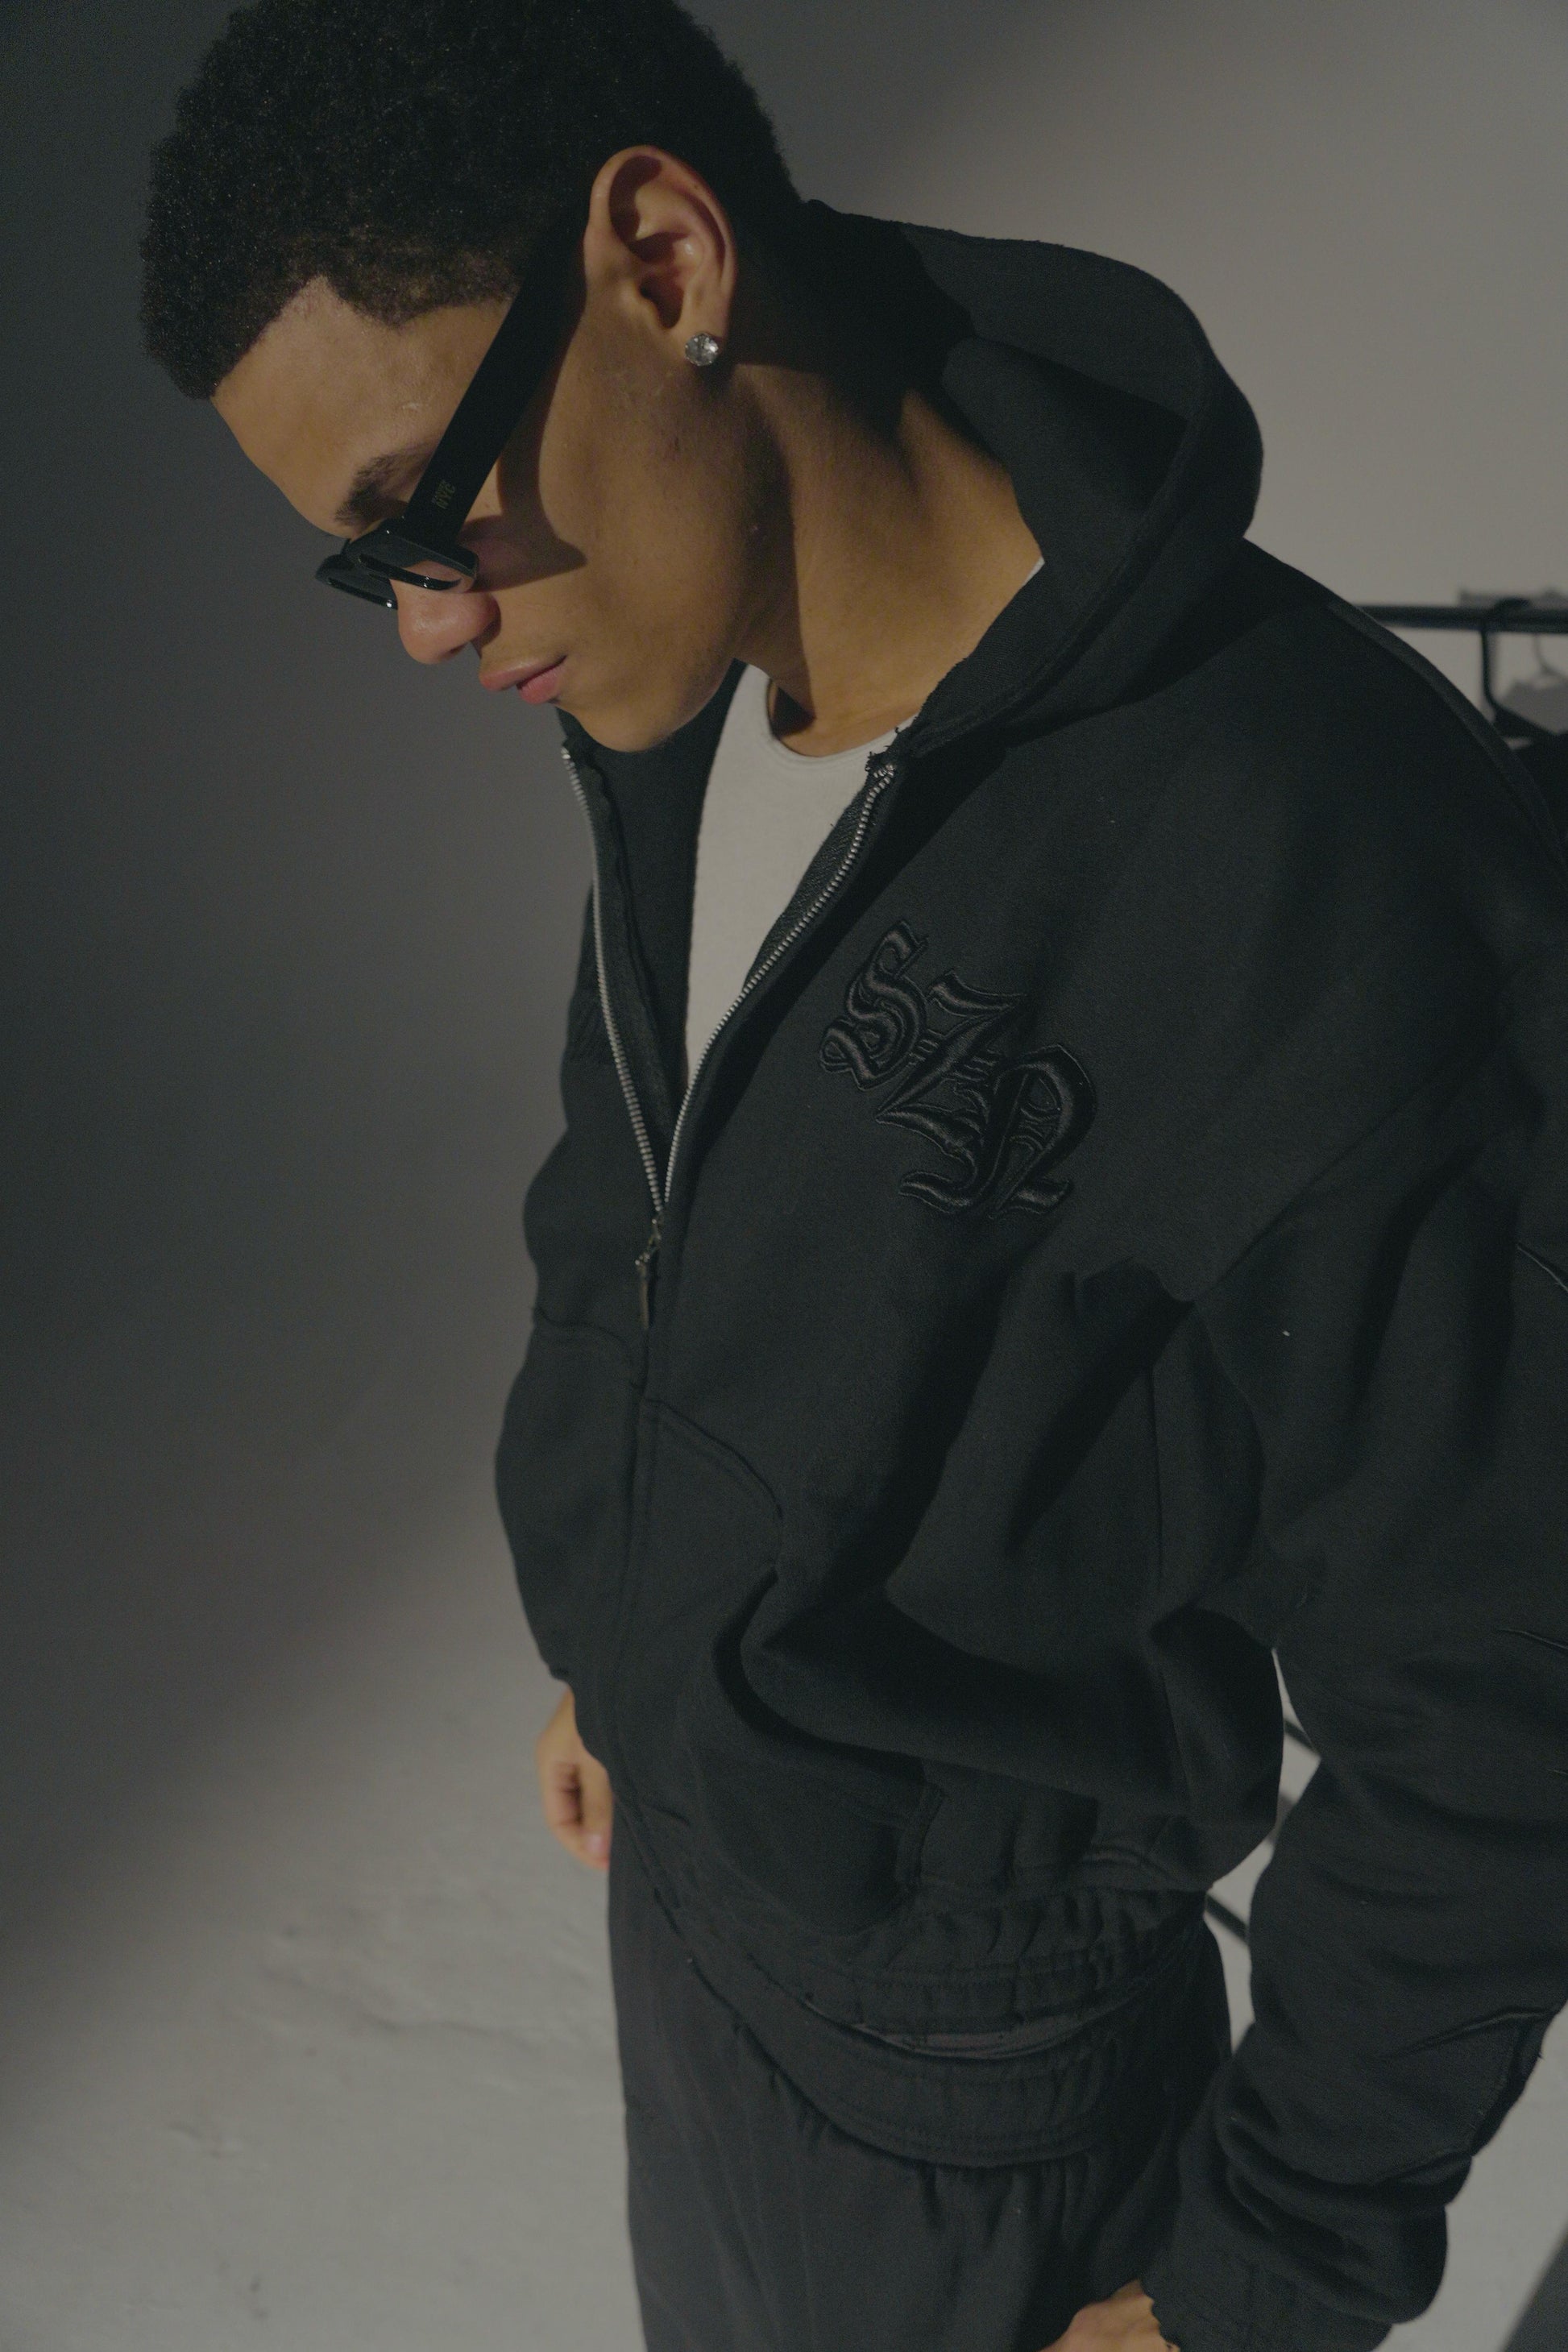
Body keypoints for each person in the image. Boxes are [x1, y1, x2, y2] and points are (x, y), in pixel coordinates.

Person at [139, 4, 1568, 2348]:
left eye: (425, 511)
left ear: (665, 261)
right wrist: (628, 1636)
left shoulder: (1315, 852)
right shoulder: (683, 676)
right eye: (359, 564)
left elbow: (1504, 1705)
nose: (424, 620)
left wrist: (1249, 2291)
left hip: (977, 2090)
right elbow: (645, 1164)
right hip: (690, 1907)